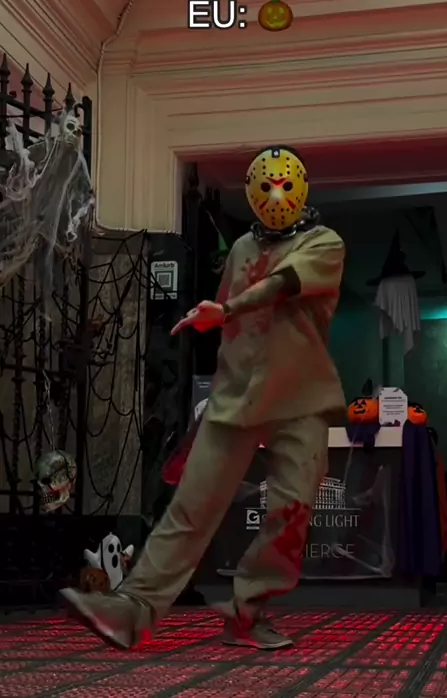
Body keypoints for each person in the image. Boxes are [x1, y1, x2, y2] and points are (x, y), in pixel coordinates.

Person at [61, 146, 346, 651]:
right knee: (190, 508)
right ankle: (132, 610)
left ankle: (248, 613)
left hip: (301, 399)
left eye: (285, 185)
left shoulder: (324, 243)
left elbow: (283, 285)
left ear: (301, 188)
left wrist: (227, 309)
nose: (276, 195)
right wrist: (210, 400)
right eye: (266, 187)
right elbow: (229, 324)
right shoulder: (241, 249)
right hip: (236, 399)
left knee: (292, 510)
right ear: (251, 193)